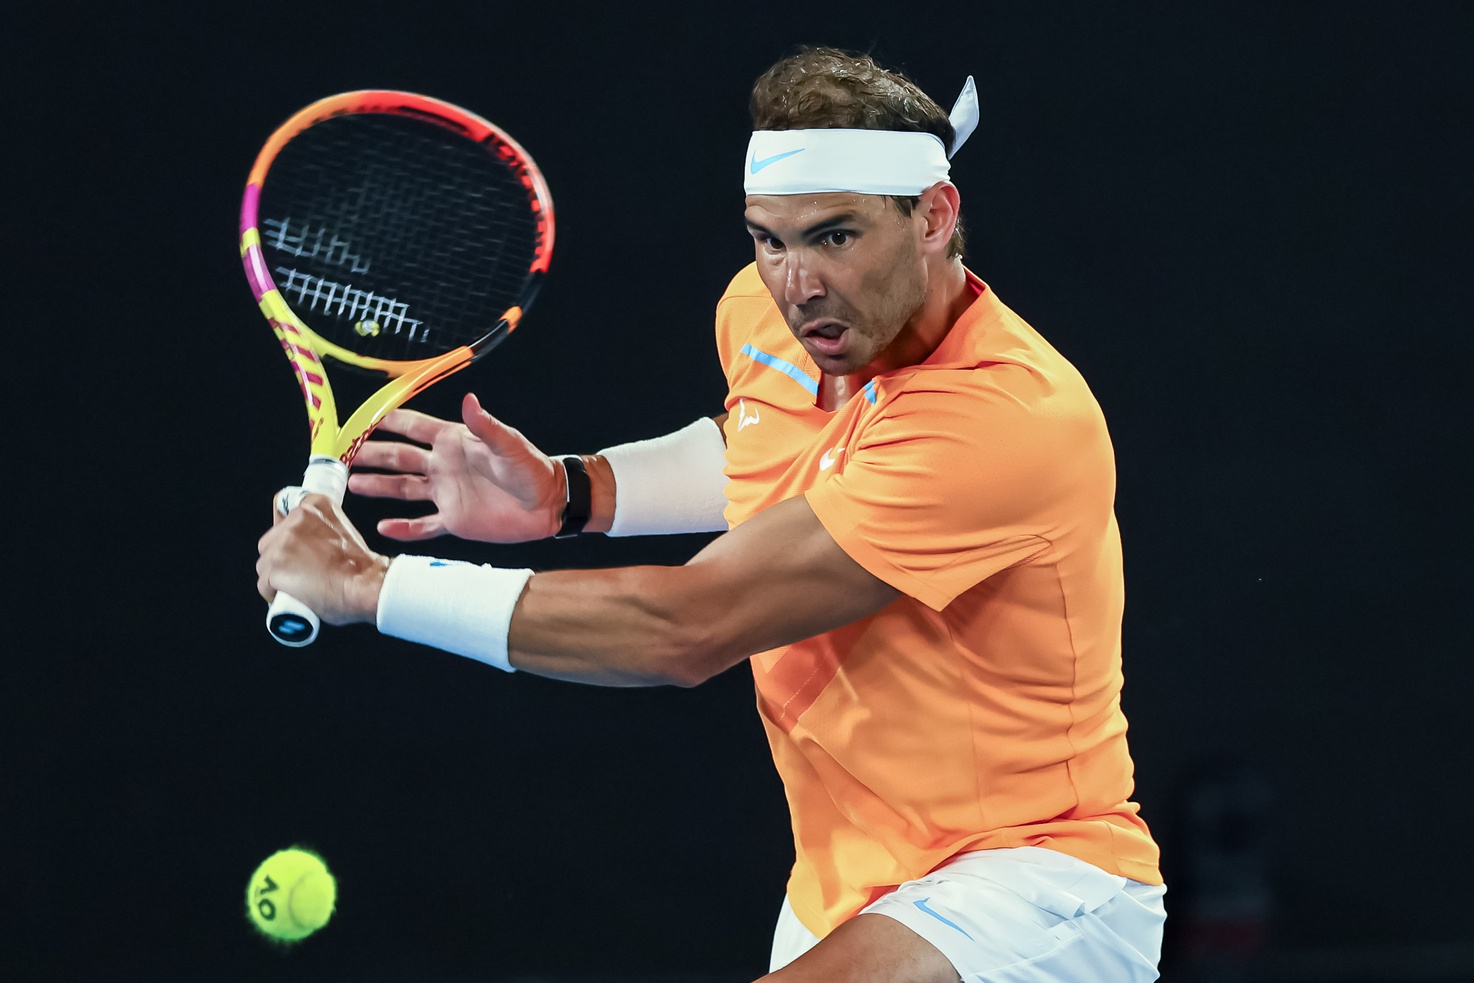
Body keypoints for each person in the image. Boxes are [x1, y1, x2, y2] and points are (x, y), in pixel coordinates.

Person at [257, 46, 1166, 982]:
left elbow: (684, 628)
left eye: (836, 235)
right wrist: (575, 494)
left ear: (934, 216)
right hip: (841, 886)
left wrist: (368, 584)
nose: (796, 280)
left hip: (1035, 877)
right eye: (768, 238)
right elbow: (765, 449)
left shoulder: (1001, 419)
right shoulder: (770, 317)